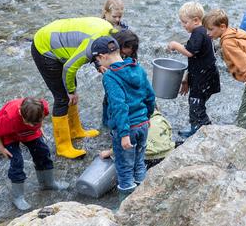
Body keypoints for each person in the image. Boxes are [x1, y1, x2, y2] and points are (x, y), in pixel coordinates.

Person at [31, 17, 115, 159]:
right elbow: (70, 67)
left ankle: (75, 130)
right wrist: (70, 91)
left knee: (71, 90)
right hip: (44, 48)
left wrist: (97, 64)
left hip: (58, 44)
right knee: (63, 98)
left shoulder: (108, 36)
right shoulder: (93, 44)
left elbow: (93, 51)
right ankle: (63, 146)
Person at [94, 36, 155, 204]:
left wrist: (124, 133)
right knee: (139, 162)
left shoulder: (110, 77)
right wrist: (147, 117)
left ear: (103, 56)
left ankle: (126, 207)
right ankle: (143, 197)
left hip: (127, 129)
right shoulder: (138, 68)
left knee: (124, 169)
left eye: (97, 60)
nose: (99, 64)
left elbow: (119, 106)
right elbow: (150, 96)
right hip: (142, 124)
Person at [0, 97, 68, 211]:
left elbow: (35, 122)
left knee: (42, 151)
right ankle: (18, 197)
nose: (33, 125)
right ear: (22, 116)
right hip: (10, 135)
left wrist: (39, 127)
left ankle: (47, 183)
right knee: (17, 161)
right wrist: (2, 149)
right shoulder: (9, 119)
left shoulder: (42, 107)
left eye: (37, 122)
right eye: (30, 123)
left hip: (28, 133)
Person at [203, 9, 246, 128]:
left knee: (245, 114)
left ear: (222, 26)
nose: (208, 33)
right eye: (206, 29)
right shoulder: (236, 32)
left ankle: (244, 136)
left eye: (210, 29)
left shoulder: (227, 43)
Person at [167, 2, 220, 138]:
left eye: (185, 22)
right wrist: (186, 80)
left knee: (196, 103)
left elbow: (189, 53)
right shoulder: (203, 32)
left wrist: (175, 45)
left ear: (196, 20)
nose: (183, 25)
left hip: (204, 78)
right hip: (206, 76)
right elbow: (196, 59)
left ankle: (202, 129)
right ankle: (198, 127)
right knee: (196, 102)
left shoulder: (199, 33)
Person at [102, 29, 140, 128]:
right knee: (109, 101)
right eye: (127, 47)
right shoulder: (109, 52)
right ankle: (107, 123)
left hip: (125, 87)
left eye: (133, 48)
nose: (130, 50)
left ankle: (121, 124)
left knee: (122, 104)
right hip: (113, 84)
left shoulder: (131, 58)